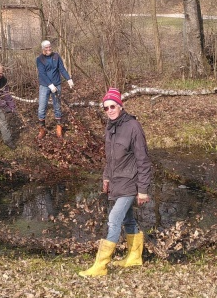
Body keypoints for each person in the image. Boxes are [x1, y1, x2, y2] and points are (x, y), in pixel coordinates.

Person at [80, 88, 152, 277]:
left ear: (120, 106)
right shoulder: (110, 127)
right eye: (106, 108)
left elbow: (143, 160)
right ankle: (134, 257)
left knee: (113, 220)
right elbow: (110, 158)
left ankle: (100, 266)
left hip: (130, 183)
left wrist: (143, 189)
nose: (109, 110)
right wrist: (106, 177)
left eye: (112, 106)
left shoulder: (133, 126)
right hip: (116, 182)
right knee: (128, 219)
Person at [36, 40, 74, 139]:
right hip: (45, 85)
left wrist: (68, 78)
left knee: (57, 106)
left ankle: (59, 128)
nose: (49, 49)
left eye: (49, 47)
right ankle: (42, 129)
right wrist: (50, 85)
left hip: (57, 84)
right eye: (46, 48)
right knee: (42, 107)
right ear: (43, 48)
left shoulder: (56, 56)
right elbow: (42, 74)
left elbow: (61, 68)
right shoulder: (39, 59)